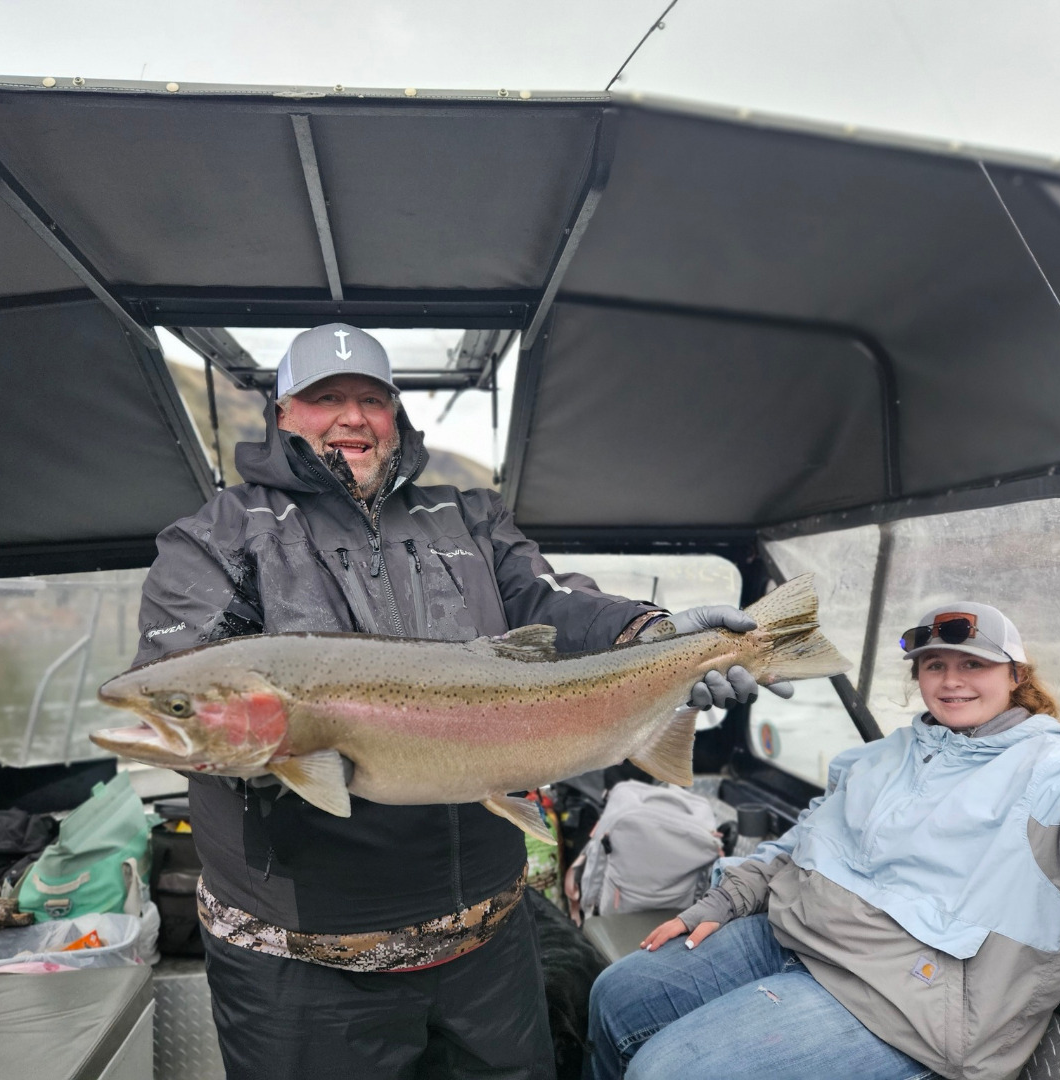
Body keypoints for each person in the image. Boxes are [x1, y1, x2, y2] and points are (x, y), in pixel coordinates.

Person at [131, 322, 770, 1079]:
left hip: (486, 943)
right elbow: (188, 676)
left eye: (371, 399)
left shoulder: (468, 516)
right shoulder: (216, 538)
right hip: (306, 967)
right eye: (324, 397)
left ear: (394, 415)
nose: (350, 417)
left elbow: (552, 600)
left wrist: (654, 633)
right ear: (281, 414)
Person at [586, 601, 1060, 1080]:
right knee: (617, 996)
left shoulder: (1056, 778)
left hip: (901, 1003)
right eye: (935, 665)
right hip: (792, 935)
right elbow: (806, 838)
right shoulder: (886, 755)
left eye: (973, 664)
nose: (952, 680)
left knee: (666, 1071)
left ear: (1015, 675)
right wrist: (726, 899)